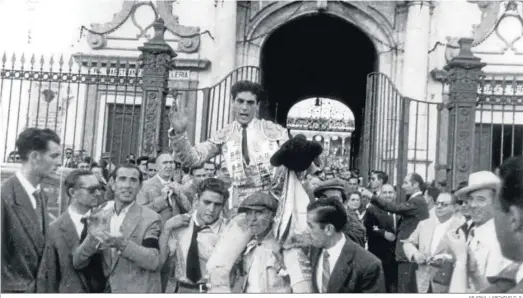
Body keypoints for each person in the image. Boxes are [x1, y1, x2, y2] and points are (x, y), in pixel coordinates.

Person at [168, 81, 291, 290]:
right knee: (217, 267)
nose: (244, 108)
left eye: (250, 103)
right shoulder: (224, 134)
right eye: (240, 101)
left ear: (257, 106)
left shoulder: (274, 132)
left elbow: (294, 166)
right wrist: (179, 134)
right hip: (242, 213)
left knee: (269, 276)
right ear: (232, 103)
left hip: (274, 212)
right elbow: (194, 158)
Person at [72, 164, 162, 293]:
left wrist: (123, 244)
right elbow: (77, 262)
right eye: (122, 179)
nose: (127, 185)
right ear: (113, 184)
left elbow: (154, 261)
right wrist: (92, 238)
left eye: (133, 180)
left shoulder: (151, 218)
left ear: (140, 186)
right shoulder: (101, 216)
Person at [1, 128, 61, 293]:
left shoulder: (40, 196)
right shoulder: (4, 197)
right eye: (54, 156)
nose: (59, 162)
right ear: (34, 157)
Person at [36, 170, 106, 292]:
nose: (98, 193)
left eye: (99, 188)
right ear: (73, 192)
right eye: (92, 190)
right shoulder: (54, 230)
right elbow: (49, 278)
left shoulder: (106, 220)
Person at [229, 191, 312, 293]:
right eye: (249, 213)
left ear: (273, 215)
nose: (253, 219)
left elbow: (304, 291)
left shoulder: (287, 248)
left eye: (259, 212)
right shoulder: (247, 248)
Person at [447, 171, 513, 293]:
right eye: (470, 199)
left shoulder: (500, 239)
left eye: (480, 200)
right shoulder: (474, 232)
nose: (472, 205)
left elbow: (496, 292)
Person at [160, 178, 229, 293]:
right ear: (197, 199)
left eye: (217, 204)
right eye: (207, 202)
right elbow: (161, 262)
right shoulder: (179, 224)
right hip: (181, 290)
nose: (211, 209)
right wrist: (166, 228)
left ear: (223, 205)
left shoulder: (228, 231)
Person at [307, 198, 385, 293]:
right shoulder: (315, 249)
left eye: (310, 226)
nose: (307, 231)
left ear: (328, 229)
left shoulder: (368, 265)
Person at [370, 173, 429, 293]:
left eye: (406, 183)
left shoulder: (417, 201)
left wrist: (372, 196)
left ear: (416, 184)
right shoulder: (415, 200)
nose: (403, 186)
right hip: (405, 254)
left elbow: (395, 209)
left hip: (408, 254)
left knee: (405, 289)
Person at [402, 192, 464, 293]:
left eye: (444, 204)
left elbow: (463, 256)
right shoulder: (424, 224)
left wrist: (446, 258)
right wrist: (415, 254)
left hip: (446, 283)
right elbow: (408, 242)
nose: (439, 207)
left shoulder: (460, 227)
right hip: (422, 282)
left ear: (454, 207)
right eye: (437, 203)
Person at [136, 153, 191, 223]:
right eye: (165, 163)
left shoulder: (178, 186)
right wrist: (162, 199)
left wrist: (180, 195)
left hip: (177, 231)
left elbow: (188, 210)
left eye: (171, 162)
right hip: (155, 230)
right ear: (157, 167)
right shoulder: (144, 186)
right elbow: (140, 213)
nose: (169, 166)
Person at [364, 183, 399, 292]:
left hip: (397, 258)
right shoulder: (372, 210)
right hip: (379, 256)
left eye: (390, 192)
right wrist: (383, 233)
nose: (388, 195)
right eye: (384, 192)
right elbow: (368, 229)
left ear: (395, 194)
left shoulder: (401, 210)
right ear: (379, 195)